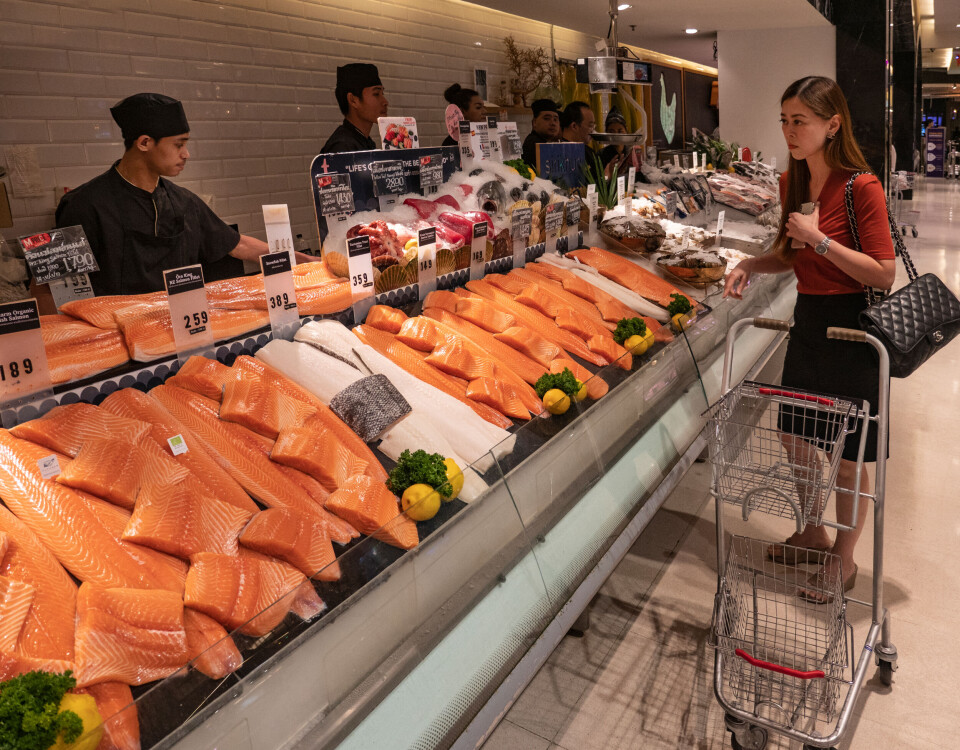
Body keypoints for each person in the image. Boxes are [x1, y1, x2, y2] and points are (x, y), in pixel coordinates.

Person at [724, 76, 896, 602]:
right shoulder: (790, 184)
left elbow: (883, 274)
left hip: (854, 328)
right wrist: (751, 263)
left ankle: (844, 558)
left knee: (850, 453)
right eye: (784, 119)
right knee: (796, 435)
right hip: (809, 321)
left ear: (832, 123)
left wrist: (819, 240)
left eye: (800, 120)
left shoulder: (860, 187)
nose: (789, 130)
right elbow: (790, 255)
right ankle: (812, 531)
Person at [55, 93, 285, 297]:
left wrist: (306, 263)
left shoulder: (183, 201)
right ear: (145, 143)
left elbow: (238, 244)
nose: (186, 154)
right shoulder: (82, 205)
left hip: (183, 330)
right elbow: (53, 285)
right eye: (178, 145)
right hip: (116, 334)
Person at [321, 63, 389, 154]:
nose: (385, 102)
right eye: (376, 94)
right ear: (353, 100)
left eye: (382, 94)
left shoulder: (363, 140)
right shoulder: (342, 147)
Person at [521, 98, 561, 168]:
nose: (553, 123)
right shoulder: (535, 144)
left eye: (555, 119)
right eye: (547, 118)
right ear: (534, 122)